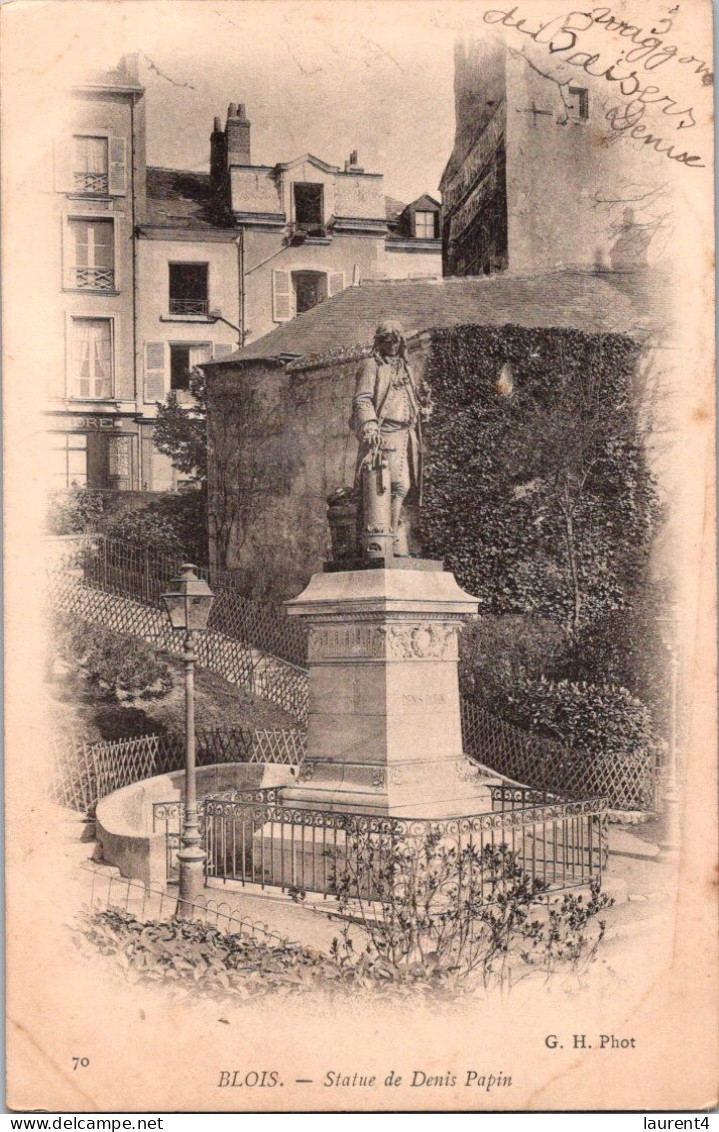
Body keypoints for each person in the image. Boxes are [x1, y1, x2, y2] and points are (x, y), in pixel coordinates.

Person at [350, 320, 432, 556]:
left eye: (397, 340)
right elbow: (362, 399)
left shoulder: (405, 368)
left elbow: (409, 398)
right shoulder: (371, 365)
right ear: (380, 342)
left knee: (405, 487)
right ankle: (385, 536)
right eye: (388, 340)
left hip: (406, 435)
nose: (393, 345)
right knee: (390, 485)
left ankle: (392, 533)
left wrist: (421, 408)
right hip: (384, 434)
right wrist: (369, 426)